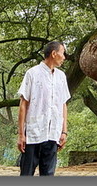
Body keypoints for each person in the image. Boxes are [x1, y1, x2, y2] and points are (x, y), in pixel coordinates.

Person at [16, 41, 71, 177]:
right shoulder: (32, 74)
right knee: (26, 174)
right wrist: (21, 135)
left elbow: (63, 104)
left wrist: (64, 131)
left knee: (48, 175)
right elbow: (23, 104)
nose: (64, 57)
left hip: (53, 134)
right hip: (33, 134)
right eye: (62, 53)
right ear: (54, 54)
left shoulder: (61, 77)